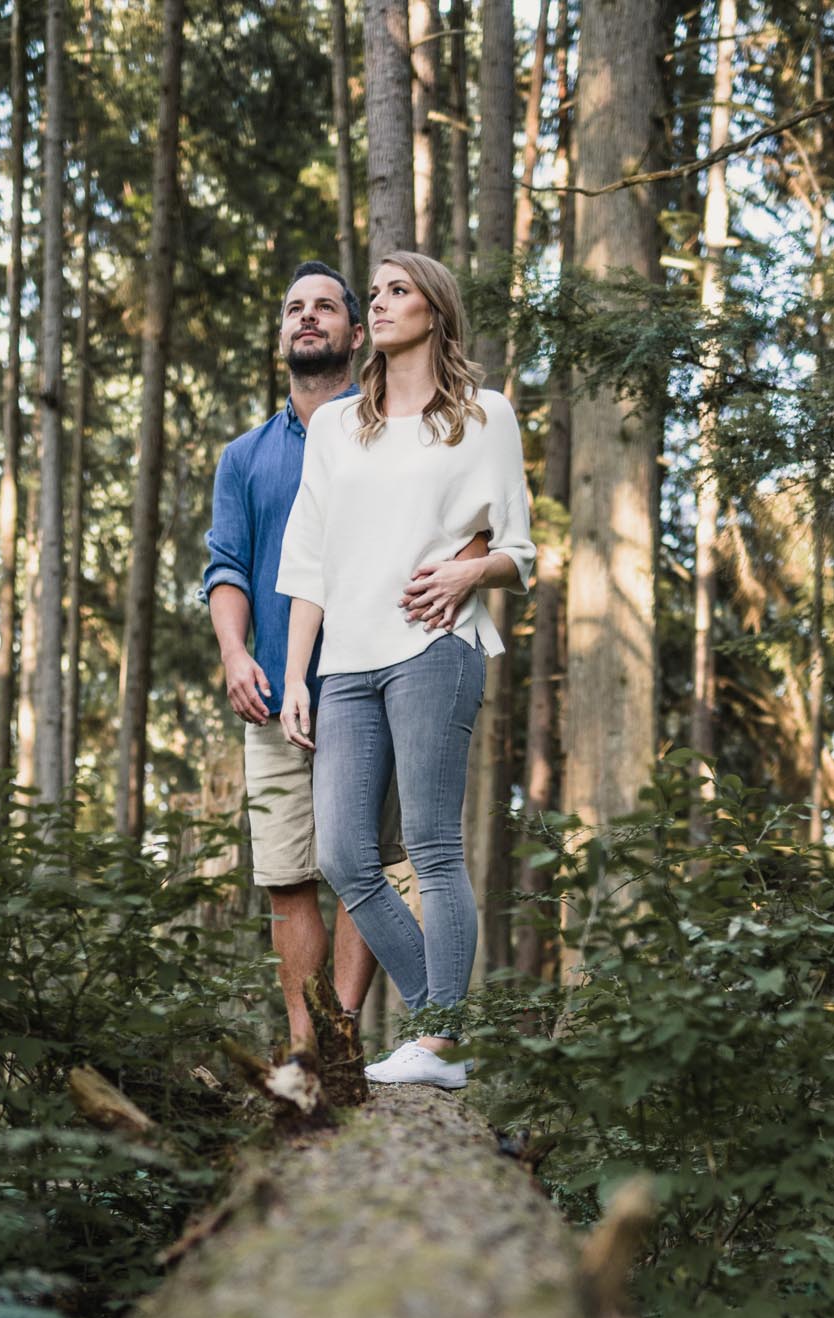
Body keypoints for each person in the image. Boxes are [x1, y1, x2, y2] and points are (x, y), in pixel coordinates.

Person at [276, 250, 534, 1091]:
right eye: (375, 294)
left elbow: (520, 550)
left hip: (436, 649)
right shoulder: (335, 428)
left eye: (395, 291)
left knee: (428, 845)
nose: (378, 305)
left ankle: (437, 1043)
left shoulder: (483, 416)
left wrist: (469, 572)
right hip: (345, 663)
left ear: (434, 308)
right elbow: (306, 561)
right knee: (348, 856)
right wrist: (294, 679)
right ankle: (441, 1023)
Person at [201, 262, 395, 1054]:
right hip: (273, 693)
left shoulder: (391, 435)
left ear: (356, 333)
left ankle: (343, 1036)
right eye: (293, 309)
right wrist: (235, 655)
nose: (306, 318)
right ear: (281, 334)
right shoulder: (244, 458)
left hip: (371, 686)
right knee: (287, 876)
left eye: (324, 307)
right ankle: (304, 1045)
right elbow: (226, 568)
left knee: (361, 866)